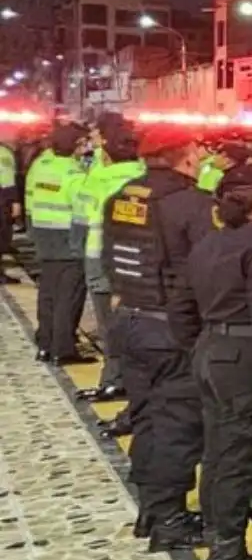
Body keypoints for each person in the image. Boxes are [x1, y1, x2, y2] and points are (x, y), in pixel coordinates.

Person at [172, 163, 252, 560]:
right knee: (240, 460)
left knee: (218, 454)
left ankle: (218, 543)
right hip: (245, 359)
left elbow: (181, 305)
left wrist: (202, 347)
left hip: (211, 350)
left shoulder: (207, 244)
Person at [106, 130, 213, 550]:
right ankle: (170, 519)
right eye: (197, 153)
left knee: (147, 417)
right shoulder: (194, 205)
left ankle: (152, 507)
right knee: (179, 425)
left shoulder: (121, 198)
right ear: (184, 158)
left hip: (129, 321)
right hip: (171, 330)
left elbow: (110, 258)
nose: (201, 160)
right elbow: (208, 271)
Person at [75, 125, 145, 401]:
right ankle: (130, 381)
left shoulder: (97, 178)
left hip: (100, 258)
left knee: (108, 324)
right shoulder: (144, 178)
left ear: (107, 154)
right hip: (138, 260)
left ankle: (114, 380)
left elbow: (80, 220)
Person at [26, 122, 87, 364]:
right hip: (67, 238)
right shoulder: (74, 174)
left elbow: (29, 198)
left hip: (43, 235)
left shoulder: (41, 164)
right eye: (83, 143)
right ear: (75, 145)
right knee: (69, 295)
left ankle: (44, 344)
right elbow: (83, 211)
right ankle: (64, 349)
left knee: (48, 292)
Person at [0, 130, 19, 283]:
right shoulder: (4, 154)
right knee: (2, 236)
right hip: (2, 199)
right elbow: (7, 180)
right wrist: (14, 201)